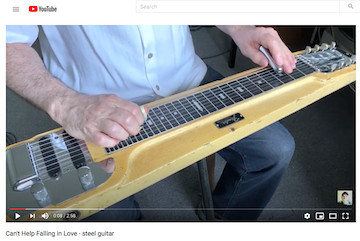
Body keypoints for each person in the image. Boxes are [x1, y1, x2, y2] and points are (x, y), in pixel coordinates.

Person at [6, 25, 296, 220]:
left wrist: (240, 28)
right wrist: (65, 104)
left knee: (275, 149)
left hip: (185, 79)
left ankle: (223, 217)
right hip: (94, 106)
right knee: (108, 213)